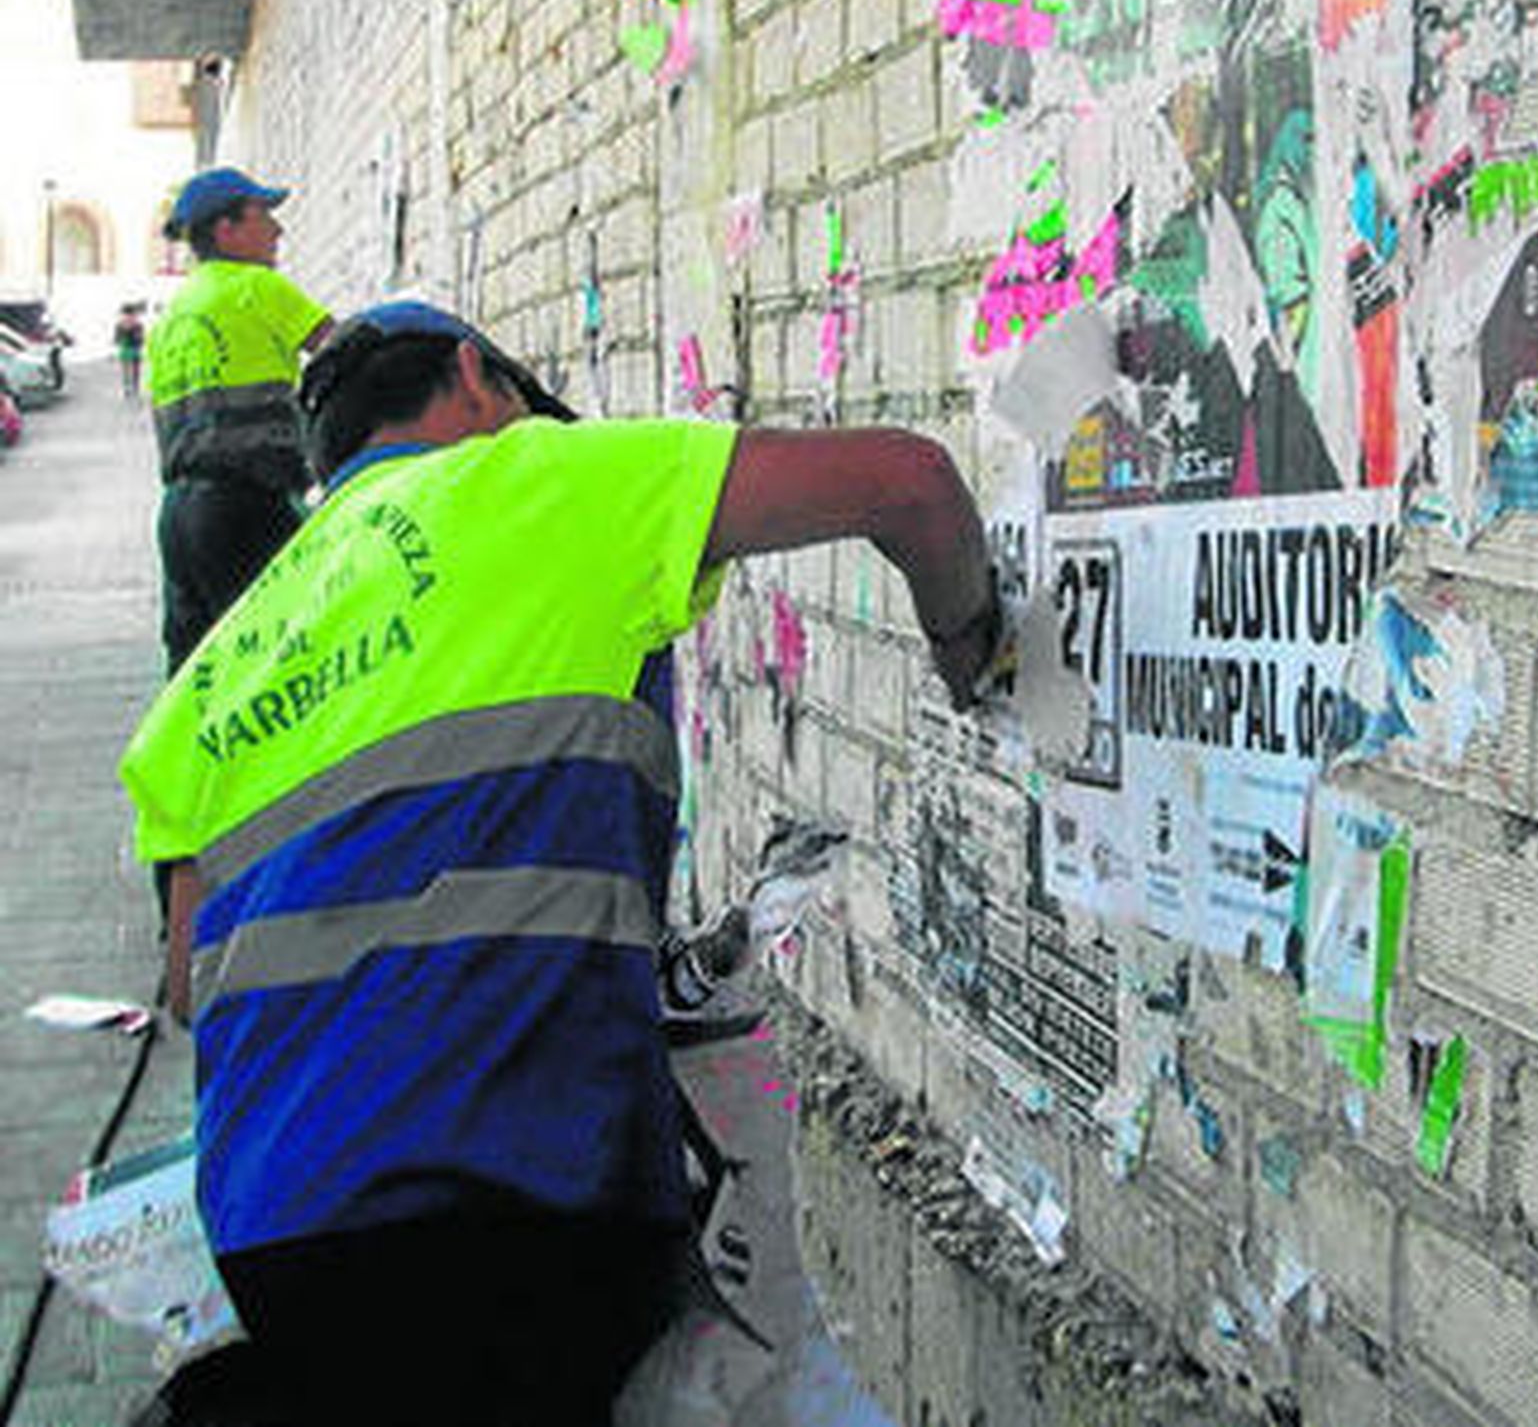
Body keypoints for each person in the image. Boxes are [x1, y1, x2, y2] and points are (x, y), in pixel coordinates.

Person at [120, 301, 999, 1427]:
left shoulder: (211, 674)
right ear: (474, 376)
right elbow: (912, 483)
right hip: (514, 1194)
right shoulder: (535, 479)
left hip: (268, 1231)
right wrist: (973, 647)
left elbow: (188, 986)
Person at [146, 167, 333, 674]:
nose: (278, 230)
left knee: (197, 673)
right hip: (247, 506)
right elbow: (345, 351)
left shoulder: (171, 318)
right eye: (263, 216)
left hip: (178, 515)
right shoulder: (257, 287)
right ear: (226, 230)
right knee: (279, 660)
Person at [112, 303, 145, 398]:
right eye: (126, 315)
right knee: (125, 371)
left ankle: (135, 387)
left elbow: (141, 340)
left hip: (134, 350)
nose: (128, 318)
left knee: (135, 370)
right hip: (125, 351)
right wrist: (122, 337)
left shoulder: (138, 326)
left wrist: (136, 336)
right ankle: (126, 388)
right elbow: (116, 339)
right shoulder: (119, 326)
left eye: (131, 315)